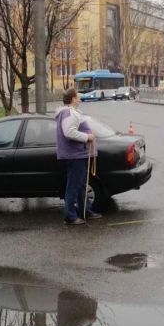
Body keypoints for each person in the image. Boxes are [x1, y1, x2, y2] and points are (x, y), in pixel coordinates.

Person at [55, 88, 102, 225]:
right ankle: (70, 216)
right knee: (73, 186)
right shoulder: (69, 113)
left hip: (76, 154)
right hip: (74, 155)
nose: (80, 98)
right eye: (78, 96)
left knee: (81, 185)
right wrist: (87, 137)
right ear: (73, 99)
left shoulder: (69, 112)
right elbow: (69, 132)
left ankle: (85, 211)